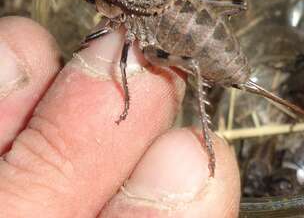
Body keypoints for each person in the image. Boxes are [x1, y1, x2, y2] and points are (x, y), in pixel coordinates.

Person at [0, 17, 240, 217]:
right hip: (188, 24)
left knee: (141, 64)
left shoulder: (127, 15)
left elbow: (122, 64)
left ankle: (207, 140)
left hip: (189, 37)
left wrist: (126, 104)